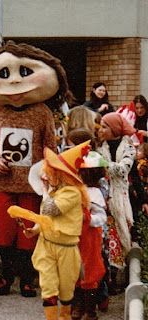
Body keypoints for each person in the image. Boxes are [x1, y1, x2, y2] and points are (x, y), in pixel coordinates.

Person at [0, 40, 70, 297]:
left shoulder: (42, 112)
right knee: (3, 232)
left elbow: (50, 148)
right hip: (4, 183)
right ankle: (7, 274)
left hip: (31, 185)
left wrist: (49, 176)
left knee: (28, 233)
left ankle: (27, 278)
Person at [23, 141, 90, 320]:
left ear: (60, 174)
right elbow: (47, 217)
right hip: (47, 246)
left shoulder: (72, 193)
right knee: (48, 286)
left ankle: (64, 317)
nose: (45, 175)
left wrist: (44, 191)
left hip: (66, 249)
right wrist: (35, 230)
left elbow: (51, 210)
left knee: (66, 290)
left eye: (49, 171)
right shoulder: (53, 192)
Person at [97, 112, 136, 293]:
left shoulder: (129, 148)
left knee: (117, 238)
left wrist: (100, 162)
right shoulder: (99, 147)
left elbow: (122, 171)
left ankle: (113, 278)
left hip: (119, 199)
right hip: (101, 198)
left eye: (104, 127)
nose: (101, 130)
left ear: (114, 129)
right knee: (104, 238)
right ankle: (105, 278)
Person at [72, 151, 108, 320]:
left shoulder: (94, 194)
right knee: (76, 269)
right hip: (76, 234)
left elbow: (101, 218)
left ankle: (90, 310)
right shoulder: (76, 190)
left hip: (90, 236)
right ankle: (78, 305)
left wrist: (87, 218)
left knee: (89, 270)